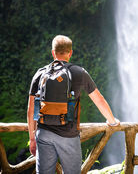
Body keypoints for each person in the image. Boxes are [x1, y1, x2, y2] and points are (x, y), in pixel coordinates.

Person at [27, 35, 120, 174]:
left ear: (53, 52)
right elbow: (98, 99)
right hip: (68, 135)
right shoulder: (79, 72)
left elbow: (30, 109)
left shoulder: (40, 73)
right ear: (70, 53)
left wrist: (32, 138)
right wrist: (112, 122)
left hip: (44, 133)